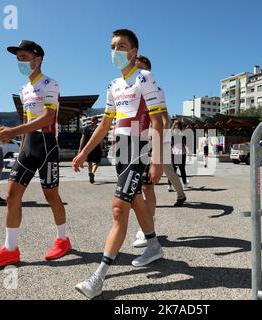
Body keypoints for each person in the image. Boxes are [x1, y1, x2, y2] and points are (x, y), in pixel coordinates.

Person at [72, 29, 165, 299]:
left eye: (122, 46)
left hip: (140, 149)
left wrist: (157, 160)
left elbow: (158, 121)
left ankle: (99, 276)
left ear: (134, 52)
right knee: (135, 201)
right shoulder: (112, 85)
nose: (116, 51)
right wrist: (83, 153)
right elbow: (104, 125)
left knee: (118, 208)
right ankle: (154, 247)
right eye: (112, 46)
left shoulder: (145, 77)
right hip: (120, 150)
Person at [0, 40, 71, 269]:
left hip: (47, 145)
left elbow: (48, 118)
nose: (20, 62)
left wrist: (13, 131)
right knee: (11, 196)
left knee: (51, 196)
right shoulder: (24, 89)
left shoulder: (50, 83)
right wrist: (20, 146)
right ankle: (10, 250)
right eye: (18, 58)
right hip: (28, 146)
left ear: (38, 59)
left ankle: (63, 239)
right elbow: (29, 120)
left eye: (24, 57)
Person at [132, 56, 187, 248]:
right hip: (134, 141)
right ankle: (146, 226)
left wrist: (161, 144)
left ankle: (147, 230)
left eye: (141, 67)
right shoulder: (128, 87)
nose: (137, 70)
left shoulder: (155, 89)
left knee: (148, 186)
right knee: (135, 188)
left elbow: (163, 118)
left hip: (153, 141)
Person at [78, 116, 103, 184]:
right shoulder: (99, 128)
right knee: (97, 162)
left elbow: (82, 138)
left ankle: (90, 172)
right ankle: (92, 172)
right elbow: (101, 139)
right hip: (96, 147)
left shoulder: (86, 128)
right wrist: (101, 147)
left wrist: (80, 148)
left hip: (88, 147)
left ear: (91, 121)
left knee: (89, 162)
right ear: (97, 121)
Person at [169, 120, 190, 188]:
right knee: (182, 169)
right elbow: (185, 144)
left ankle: (170, 185)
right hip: (181, 153)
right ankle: (184, 183)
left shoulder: (171, 133)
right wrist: (189, 152)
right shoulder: (182, 134)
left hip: (173, 153)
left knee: (172, 170)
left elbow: (170, 145)